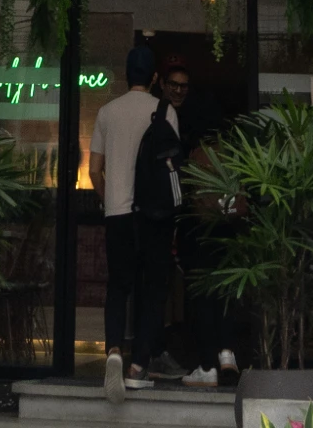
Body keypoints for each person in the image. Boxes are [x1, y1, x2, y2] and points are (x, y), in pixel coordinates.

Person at [89, 44, 181, 402]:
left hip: (118, 215)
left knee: (118, 286)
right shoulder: (165, 111)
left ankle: (114, 349)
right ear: (155, 77)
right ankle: (139, 366)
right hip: (154, 216)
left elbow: (94, 170)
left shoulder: (107, 112)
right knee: (153, 290)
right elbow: (172, 167)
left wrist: (109, 198)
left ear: (126, 76)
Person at [162, 64, 240, 388]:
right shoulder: (231, 153)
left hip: (199, 233)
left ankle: (207, 366)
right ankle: (227, 353)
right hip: (228, 231)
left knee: (202, 298)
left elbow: (181, 196)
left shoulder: (193, 155)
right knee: (225, 292)